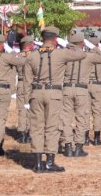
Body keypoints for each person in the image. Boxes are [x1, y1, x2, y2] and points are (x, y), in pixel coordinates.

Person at [23, 26, 87, 173]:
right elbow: (81, 55)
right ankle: (49, 162)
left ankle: (38, 163)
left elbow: (27, 81)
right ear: (55, 38)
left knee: (37, 128)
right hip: (54, 94)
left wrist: (27, 100)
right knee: (52, 128)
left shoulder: (32, 55)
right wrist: (70, 44)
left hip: (36, 93)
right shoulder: (61, 53)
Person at [16, 35, 37, 144]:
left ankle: (21, 133)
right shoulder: (33, 56)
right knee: (31, 109)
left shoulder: (18, 55)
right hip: (31, 84)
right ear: (29, 44)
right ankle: (29, 132)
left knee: (21, 109)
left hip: (20, 83)